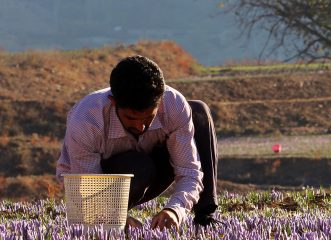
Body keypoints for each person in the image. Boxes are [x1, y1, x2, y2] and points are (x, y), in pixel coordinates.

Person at [57, 55, 219, 229]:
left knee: (198, 111)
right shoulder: (87, 120)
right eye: (131, 117)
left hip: (151, 167)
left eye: (149, 117)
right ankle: (114, 222)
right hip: (99, 182)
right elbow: (86, 186)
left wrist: (175, 209)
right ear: (113, 102)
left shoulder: (173, 104)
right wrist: (112, 217)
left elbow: (188, 170)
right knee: (139, 164)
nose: (140, 126)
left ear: (160, 101)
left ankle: (204, 218)